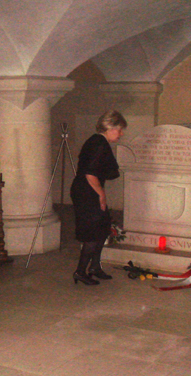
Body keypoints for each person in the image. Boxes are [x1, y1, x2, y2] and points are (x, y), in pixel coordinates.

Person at [70, 110, 127, 285]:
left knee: (102, 228)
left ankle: (94, 267)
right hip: (87, 192)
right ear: (110, 128)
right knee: (93, 233)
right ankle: (80, 271)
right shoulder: (98, 144)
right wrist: (101, 195)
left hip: (88, 189)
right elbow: (90, 173)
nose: (121, 134)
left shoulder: (99, 141)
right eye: (119, 130)